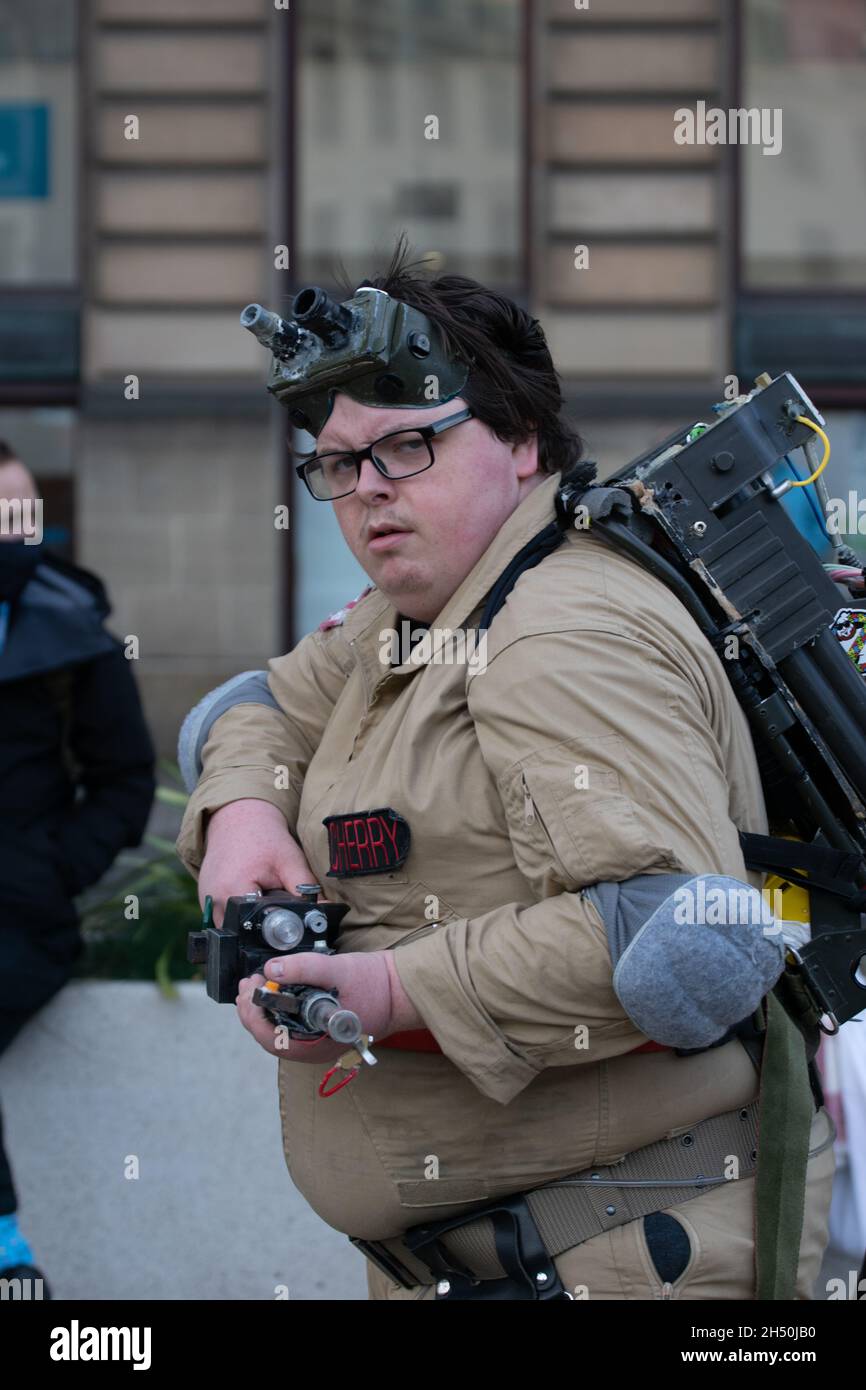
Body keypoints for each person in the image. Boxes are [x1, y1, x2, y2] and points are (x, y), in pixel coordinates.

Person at [176, 247, 834, 1301]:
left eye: (404, 447)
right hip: (503, 1261)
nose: (367, 494)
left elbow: (682, 933)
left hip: (619, 1259)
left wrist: (392, 990)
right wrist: (244, 812)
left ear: (521, 440)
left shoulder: (555, 631)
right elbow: (249, 708)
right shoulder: (420, 612)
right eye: (338, 465)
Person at [0, 444, 156, 1296]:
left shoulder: (74, 637)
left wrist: (50, 870)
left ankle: (6, 1255)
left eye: (20, 517)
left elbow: (126, 780)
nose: (11, 538)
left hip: (23, 921)